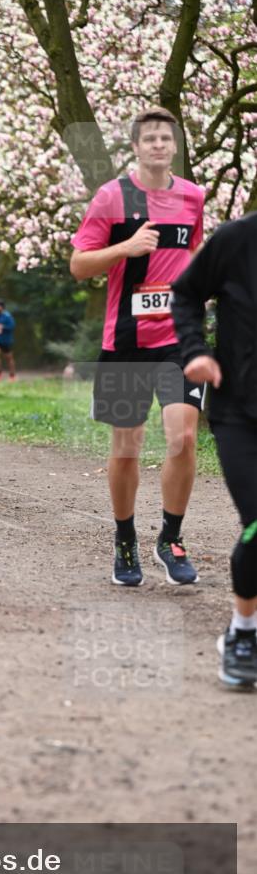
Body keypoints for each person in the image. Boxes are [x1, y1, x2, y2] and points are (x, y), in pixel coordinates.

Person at [70, 106, 205, 588]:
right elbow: (80, 265)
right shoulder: (111, 198)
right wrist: (123, 250)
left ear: (175, 146)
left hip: (178, 339)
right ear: (136, 146)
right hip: (125, 340)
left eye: (166, 139)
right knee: (126, 446)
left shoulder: (193, 196)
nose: (159, 146)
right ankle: (125, 539)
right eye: (150, 138)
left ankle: (170, 538)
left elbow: (194, 258)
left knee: (183, 436)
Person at [171, 212, 257, 687]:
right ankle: (244, 631)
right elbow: (185, 294)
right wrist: (195, 352)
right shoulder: (237, 239)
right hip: (240, 412)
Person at [0, 300, 16, 381]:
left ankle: (12, 375)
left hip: (6, 341)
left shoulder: (7, 316)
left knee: (9, 358)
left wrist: (3, 327)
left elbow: (12, 327)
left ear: (2, 307)